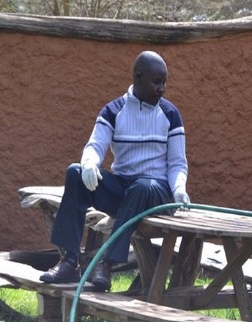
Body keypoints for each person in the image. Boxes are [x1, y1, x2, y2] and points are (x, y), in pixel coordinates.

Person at [40, 50, 190, 291]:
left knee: (143, 186)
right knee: (75, 173)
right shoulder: (113, 111)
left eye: (165, 82)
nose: (162, 88)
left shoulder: (170, 115)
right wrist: (89, 163)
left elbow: (177, 163)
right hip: (124, 189)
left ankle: (106, 264)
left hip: (156, 192)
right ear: (138, 77)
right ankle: (69, 262)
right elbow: (95, 146)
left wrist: (179, 188)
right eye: (156, 82)